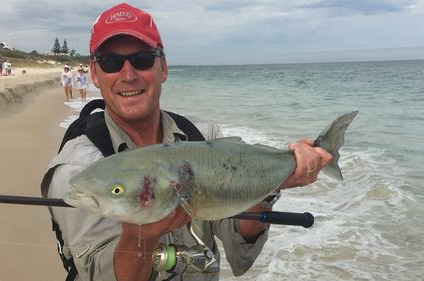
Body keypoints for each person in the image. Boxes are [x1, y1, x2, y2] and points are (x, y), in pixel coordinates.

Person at [42, 3, 331, 281]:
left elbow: (239, 246)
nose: (128, 75)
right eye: (111, 63)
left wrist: (270, 186)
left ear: (163, 68)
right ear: (94, 73)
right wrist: (140, 236)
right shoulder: (75, 170)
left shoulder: (204, 137)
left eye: (142, 59)